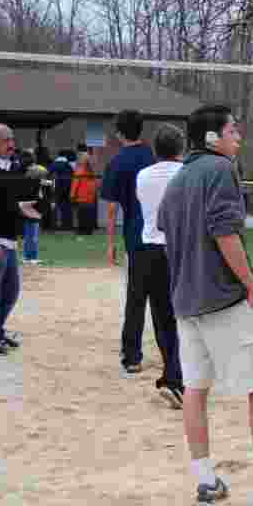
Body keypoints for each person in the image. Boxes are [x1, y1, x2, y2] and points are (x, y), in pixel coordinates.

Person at [157, 104, 253, 506]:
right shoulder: (220, 170)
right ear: (212, 138)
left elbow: (165, 231)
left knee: (194, 389)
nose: (238, 137)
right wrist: (249, 282)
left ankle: (206, 482)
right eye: (232, 130)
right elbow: (225, 232)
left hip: (185, 302)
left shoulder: (178, 178)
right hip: (222, 298)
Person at [100, 110, 158, 376]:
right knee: (164, 299)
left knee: (136, 299)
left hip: (136, 238)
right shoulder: (154, 157)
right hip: (163, 237)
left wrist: (111, 242)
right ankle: (173, 356)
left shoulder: (118, 162)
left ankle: (132, 357)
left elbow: (111, 209)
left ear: (120, 133)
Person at [0, 123, 41, 355]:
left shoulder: (13, 167)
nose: (11, 144)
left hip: (10, 238)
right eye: (5, 140)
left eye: (12, 139)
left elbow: (8, 203)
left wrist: (25, 207)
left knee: (11, 290)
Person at [134, 124, 187, 409]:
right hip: (177, 250)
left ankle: (172, 373)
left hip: (149, 250)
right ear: (180, 148)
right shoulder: (186, 173)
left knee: (162, 318)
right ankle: (175, 379)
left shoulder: (143, 175)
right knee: (184, 318)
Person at [21, 151, 48, 264]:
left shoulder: (20, 169)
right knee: (33, 233)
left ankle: (28, 257)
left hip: (25, 203)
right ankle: (33, 257)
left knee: (28, 232)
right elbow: (43, 178)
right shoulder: (38, 169)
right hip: (34, 203)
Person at [70, 151, 99, 237]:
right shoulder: (92, 171)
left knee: (81, 216)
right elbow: (95, 184)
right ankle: (88, 231)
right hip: (90, 197)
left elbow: (75, 185)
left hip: (81, 197)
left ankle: (82, 231)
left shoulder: (79, 171)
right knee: (89, 215)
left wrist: (72, 196)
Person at [49, 151, 75, 231]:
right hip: (68, 187)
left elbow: (49, 174)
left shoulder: (54, 164)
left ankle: (54, 225)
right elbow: (73, 175)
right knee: (67, 206)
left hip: (57, 187)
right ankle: (67, 225)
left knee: (55, 206)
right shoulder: (68, 165)